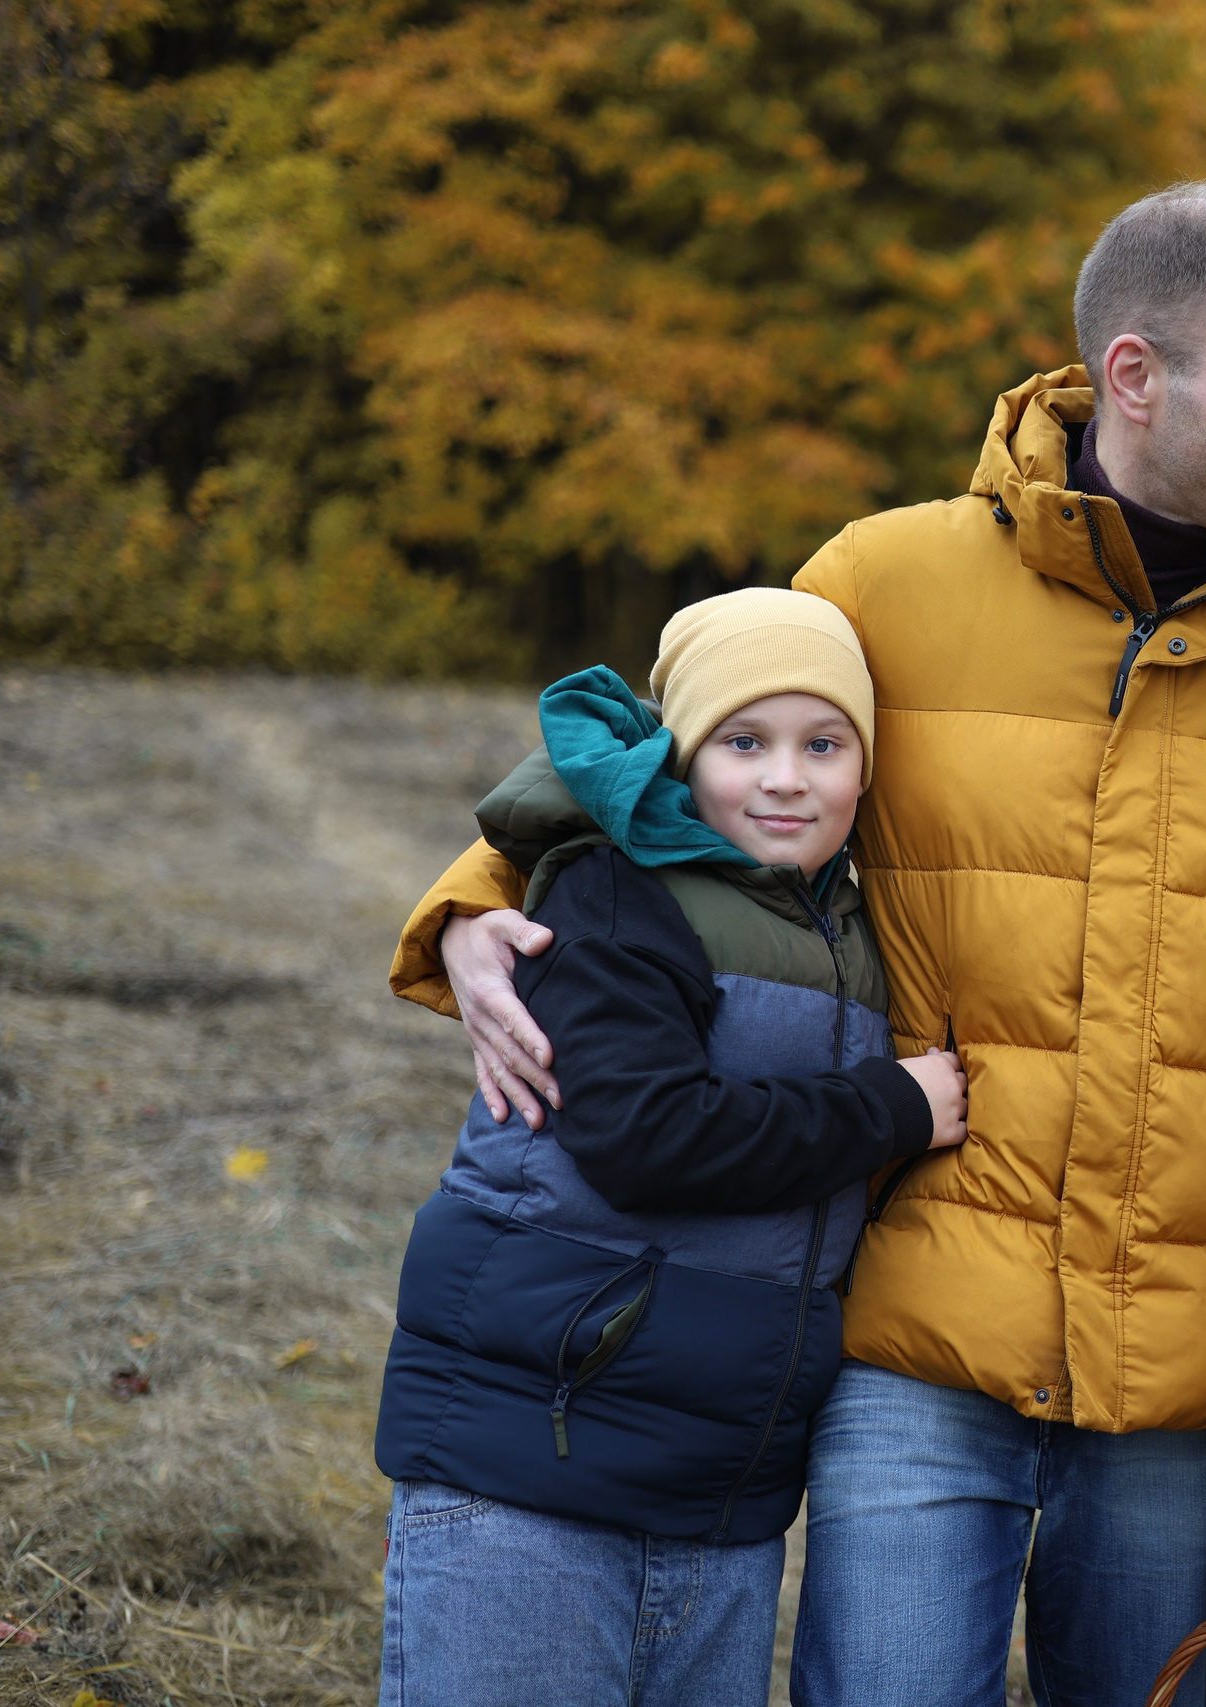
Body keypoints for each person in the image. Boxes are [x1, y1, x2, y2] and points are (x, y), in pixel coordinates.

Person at [383, 181, 1206, 1706]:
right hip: (919, 1327)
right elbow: (686, 754)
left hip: (1185, 1364)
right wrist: (480, 902)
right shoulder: (892, 576)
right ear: (1136, 375)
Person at [374, 587, 969, 1705]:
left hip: (715, 1494)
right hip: (536, 1460)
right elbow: (646, 1137)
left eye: (824, 745)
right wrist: (890, 1107)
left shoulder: (846, 922)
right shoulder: (614, 896)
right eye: (744, 742)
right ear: (682, 756)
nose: (786, 776)